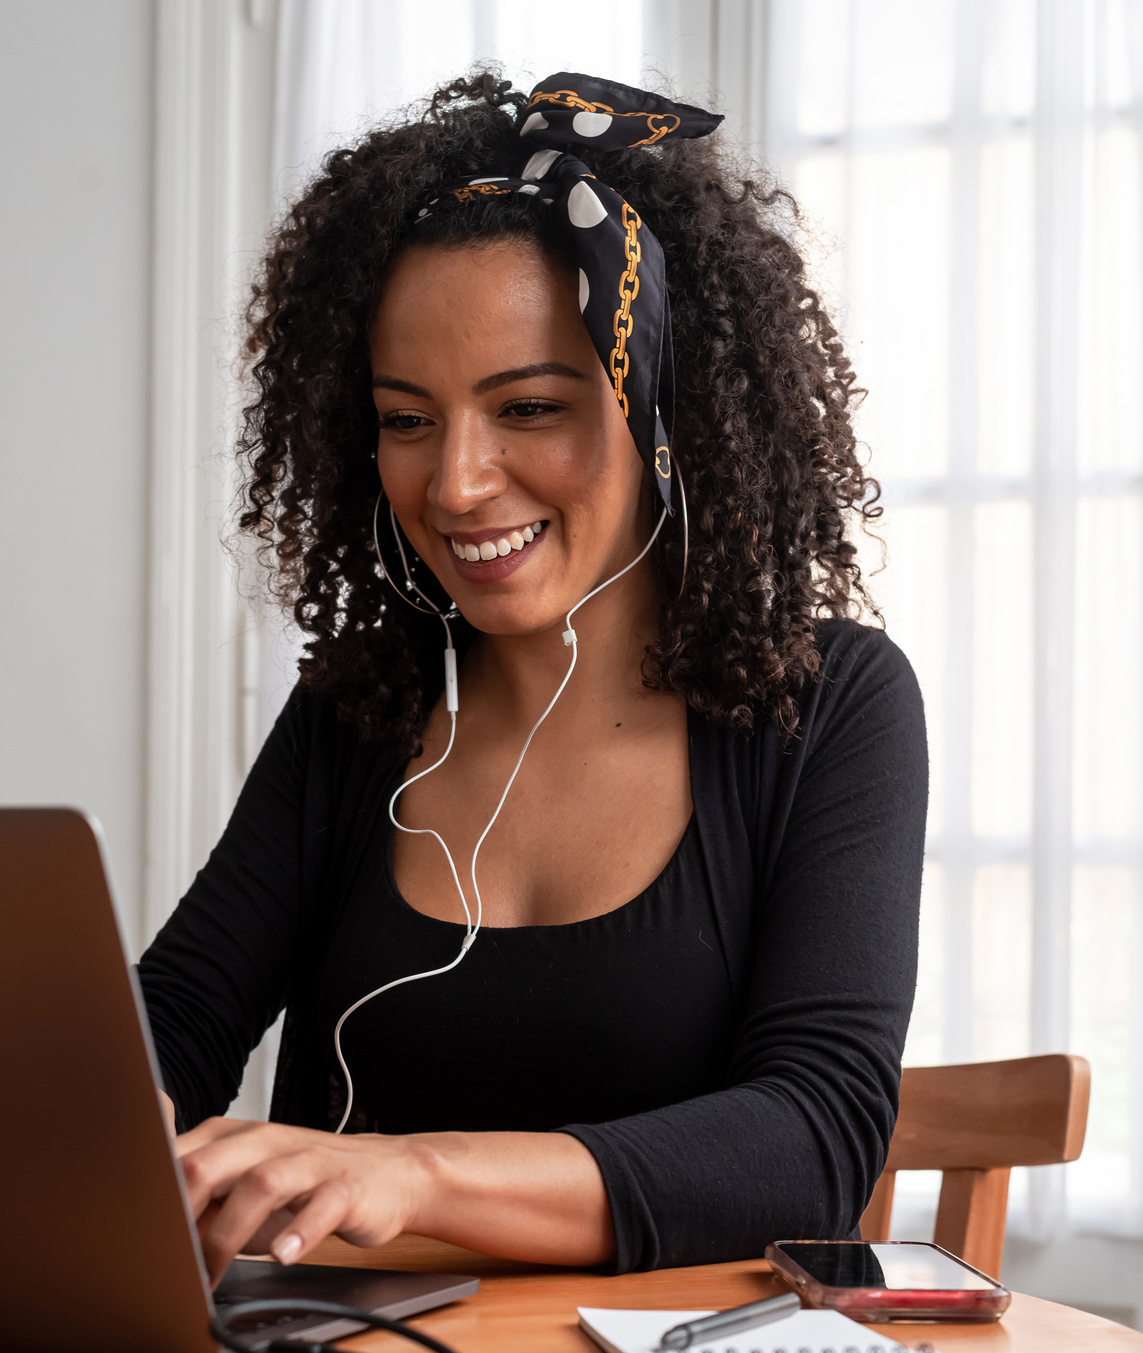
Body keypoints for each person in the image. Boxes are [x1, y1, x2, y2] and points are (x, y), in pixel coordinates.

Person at [139, 71, 927, 1287]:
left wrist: (410, 1174)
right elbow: (175, 1022)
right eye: (407, 419)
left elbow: (810, 1140)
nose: (456, 483)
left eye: (531, 406)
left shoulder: (827, 704)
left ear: (669, 408)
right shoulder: (366, 708)